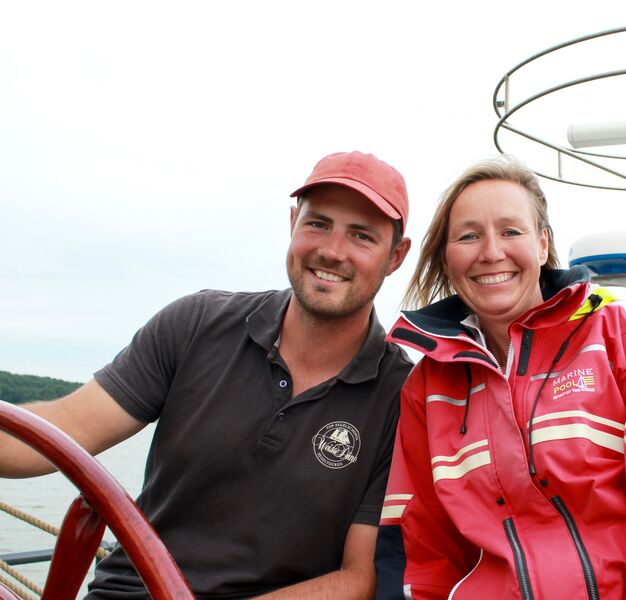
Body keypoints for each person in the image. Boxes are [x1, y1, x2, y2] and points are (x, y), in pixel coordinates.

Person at [0, 151, 413, 599]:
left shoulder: (402, 397)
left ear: (396, 256)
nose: (332, 251)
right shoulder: (196, 324)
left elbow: (359, 578)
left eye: (362, 236)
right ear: (293, 222)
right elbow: (61, 431)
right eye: (318, 224)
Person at [374, 156, 626, 599]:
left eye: (511, 231)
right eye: (469, 236)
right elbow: (420, 555)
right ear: (447, 260)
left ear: (543, 245)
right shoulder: (426, 390)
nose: (491, 252)